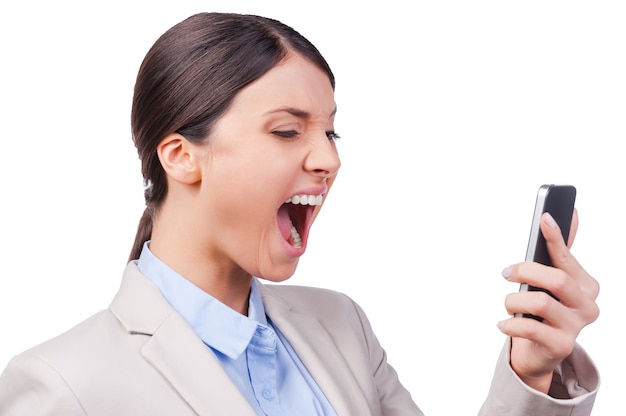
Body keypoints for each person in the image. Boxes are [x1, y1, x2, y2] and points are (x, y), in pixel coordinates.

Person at [0, 12, 599, 416]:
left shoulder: (341, 326)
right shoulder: (61, 385)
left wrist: (533, 366)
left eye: (332, 133)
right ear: (181, 157)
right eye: (287, 130)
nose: (328, 159)